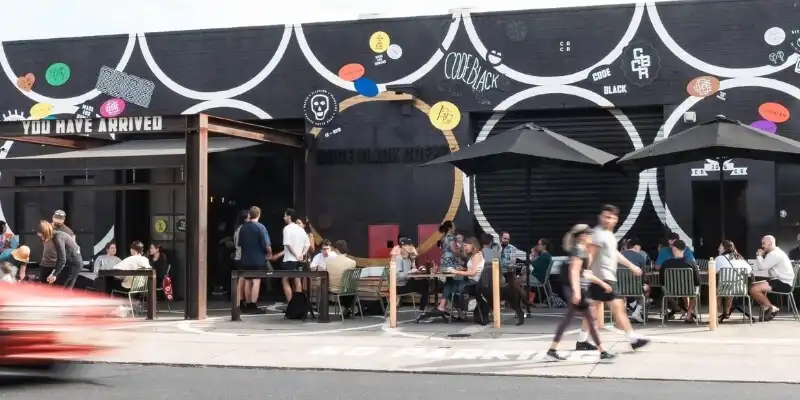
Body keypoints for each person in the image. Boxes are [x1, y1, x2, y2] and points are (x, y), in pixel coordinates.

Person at [546, 224, 614, 361]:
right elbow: (574, 271)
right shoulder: (578, 251)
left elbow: (586, 274)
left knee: (577, 319)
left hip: (579, 290)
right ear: (582, 236)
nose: (590, 236)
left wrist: (601, 283)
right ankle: (603, 352)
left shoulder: (582, 250)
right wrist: (577, 292)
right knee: (589, 320)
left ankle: (552, 349)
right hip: (577, 291)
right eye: (588, 234)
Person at [587, 205, 650, 350]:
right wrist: (585, 270)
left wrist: (631, 266)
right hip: (604, 277)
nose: (608, 220)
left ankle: (582, 339)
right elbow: (590, 253)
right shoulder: (598, 234)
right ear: (600, 217)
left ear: (616, 219)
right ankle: (633, 339)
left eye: (611, 217)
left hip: (606, 277)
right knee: (619, 308)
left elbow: (615, 253)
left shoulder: (608, 235)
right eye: (605, 216)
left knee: (593, 309)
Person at [750, 235, 795, 321]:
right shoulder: (773, 253)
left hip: (783, 283)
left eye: (764, 243)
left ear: (770, 243)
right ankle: (767, 309)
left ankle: (771, 308)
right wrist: (754, 266)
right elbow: (760, 266)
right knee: (754, 288)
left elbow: (762, 267)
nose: (762, 246)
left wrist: (759, 256)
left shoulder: (775, 254)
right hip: (778, 281)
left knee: (754, 290)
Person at [237, 206, 272, 314]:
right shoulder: (261, 227)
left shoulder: (242, 228)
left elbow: (240, 244)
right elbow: (266, 244)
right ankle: (253, 304)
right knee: (256, 281)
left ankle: (247, 304)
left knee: (247, 281)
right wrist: (269, 253)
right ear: (258, 215)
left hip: (245, 259)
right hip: (257, 259)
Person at [659, 240, 701, 323]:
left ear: (673, 249)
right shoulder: (691, 264)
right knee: (695, 292)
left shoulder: (666, 264)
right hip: (688, 291)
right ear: (684, 250)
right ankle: (688, 314)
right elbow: (698, 282)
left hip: (670, 292)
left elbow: (661, 281)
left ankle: (676, 306)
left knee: (662, 288)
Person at [273, 208, 310, 302]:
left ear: (289, 217)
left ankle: (291, 304)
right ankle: (298, 304)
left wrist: (296, 254)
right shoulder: (300, 229)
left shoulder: (287, 228)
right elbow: (307, 244)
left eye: (285, 216)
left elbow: (288, 244)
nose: (284, 217)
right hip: (298, 260)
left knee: (285, 280)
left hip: (289, 260)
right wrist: (302, 254)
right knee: (297, 281)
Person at [392, 238, 432, 319]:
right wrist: (410, 272)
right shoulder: (399, 258)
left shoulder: (408, 259)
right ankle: (422, 311)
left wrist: (416, 269)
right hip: (399, 287)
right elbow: (397, 277)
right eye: (409, 245)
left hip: (406, 283)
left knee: (425, 283)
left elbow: (410, 272)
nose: (411, 247)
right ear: (402, 246)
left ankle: (422, 311)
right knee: (425, 284)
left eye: (412, 245)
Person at [39, 220, 82, 290]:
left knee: (62, 289)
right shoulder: (54, 237)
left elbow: (62, 259)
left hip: (74, 263)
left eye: (42, 236)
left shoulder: (58, 238)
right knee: (61, 288)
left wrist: (54, 274)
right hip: (68, 261)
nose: (42, 238)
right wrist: (54, 272)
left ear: (46, 233)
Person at [715, 240, 751, 322]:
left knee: (716, 292)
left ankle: (715, 315)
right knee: (730, 288)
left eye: (720, 247)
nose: (718, 249)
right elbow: (748, 270)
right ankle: (727, 312)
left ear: (724, 249)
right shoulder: (739, 257)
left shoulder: (719, 258)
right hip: (741, 288)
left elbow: (713, 271)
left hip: (724, 288)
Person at [434, 221, 464, 313]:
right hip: (451, 262)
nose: (455, 228)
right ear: (450, 228)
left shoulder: (444, 237)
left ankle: (444, 305)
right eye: (454, 226)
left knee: (449, 282)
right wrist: (461, 250)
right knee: (456, 281)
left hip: (445, 261)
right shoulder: (451, 237)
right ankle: (452, 306)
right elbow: (453, 249)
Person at [325, 240, 358, 317]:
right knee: (349, 286)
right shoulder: (352, 262)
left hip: (332, 289)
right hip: (346, 290)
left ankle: (322, 309)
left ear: (336, 249)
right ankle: (347, 308)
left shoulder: (329, 261)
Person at [621, 238, 650, 323]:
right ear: (636, 247)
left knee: (627, 294)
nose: (639, 250)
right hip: (635, 288)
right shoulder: (640, 257)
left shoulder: (619, 255)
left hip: (619, 288)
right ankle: (637, 312)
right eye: (639, 248)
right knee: (647, 288)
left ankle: (632, 307)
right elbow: (643, 275)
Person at [528, 238, 553, 304]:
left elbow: (536, 265)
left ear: (544, 246)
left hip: (538, 278)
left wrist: (529, 260)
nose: (537, 246)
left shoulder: (545, 256)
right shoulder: (544, 255)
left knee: (516, 281)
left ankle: (522, 300)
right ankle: (530, 300)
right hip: (539, 277)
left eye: (539, 244)